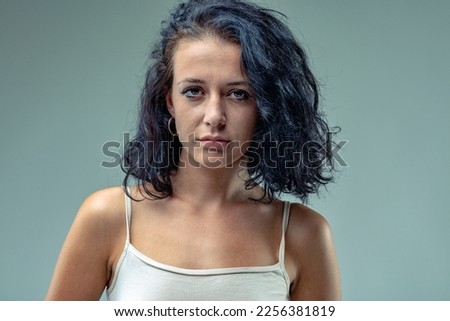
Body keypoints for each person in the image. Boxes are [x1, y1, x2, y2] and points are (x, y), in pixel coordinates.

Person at [46, 0, 341, 301]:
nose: (214, 115)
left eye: (239, 94)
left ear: (267, 106)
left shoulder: (304, 235)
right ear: (170, 101)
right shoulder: (108, 218)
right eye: (193, 91)